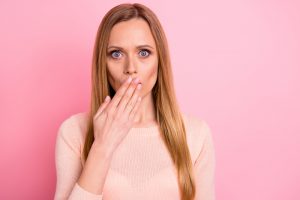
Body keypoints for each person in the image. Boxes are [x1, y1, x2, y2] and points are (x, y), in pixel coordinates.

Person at [54, 3, 215, 200]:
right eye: (116, 54)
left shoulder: (196, 134)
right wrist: (103, 146)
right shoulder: (73, 132)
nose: (131, 68)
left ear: (160, 61)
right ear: (102, 64)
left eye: (144, 53)